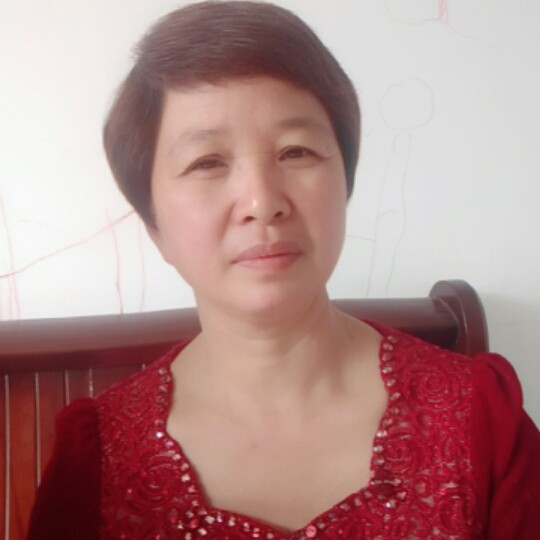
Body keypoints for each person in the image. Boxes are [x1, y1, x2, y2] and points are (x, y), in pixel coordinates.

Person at [27, 2, 540, 539]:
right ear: (154, 225)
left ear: (345, 185)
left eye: (296, 152)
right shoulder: (99, 463)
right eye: (207, 162)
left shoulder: (479, 419)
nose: (262, 202)